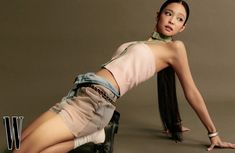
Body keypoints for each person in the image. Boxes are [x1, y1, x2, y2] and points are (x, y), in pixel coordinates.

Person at [13, 0, 235, 152]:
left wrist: (213, 133)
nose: (171, 20)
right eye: (168, 13)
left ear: (182, 28)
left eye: (179, 19)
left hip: (95, 103)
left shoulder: (175, 49)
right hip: (79, 94)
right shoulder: (140, 45)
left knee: (22, 150)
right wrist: (172, 122)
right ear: (158, 15)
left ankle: (90, 135)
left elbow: (191, 91)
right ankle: (92, 137)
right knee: (15, 144)